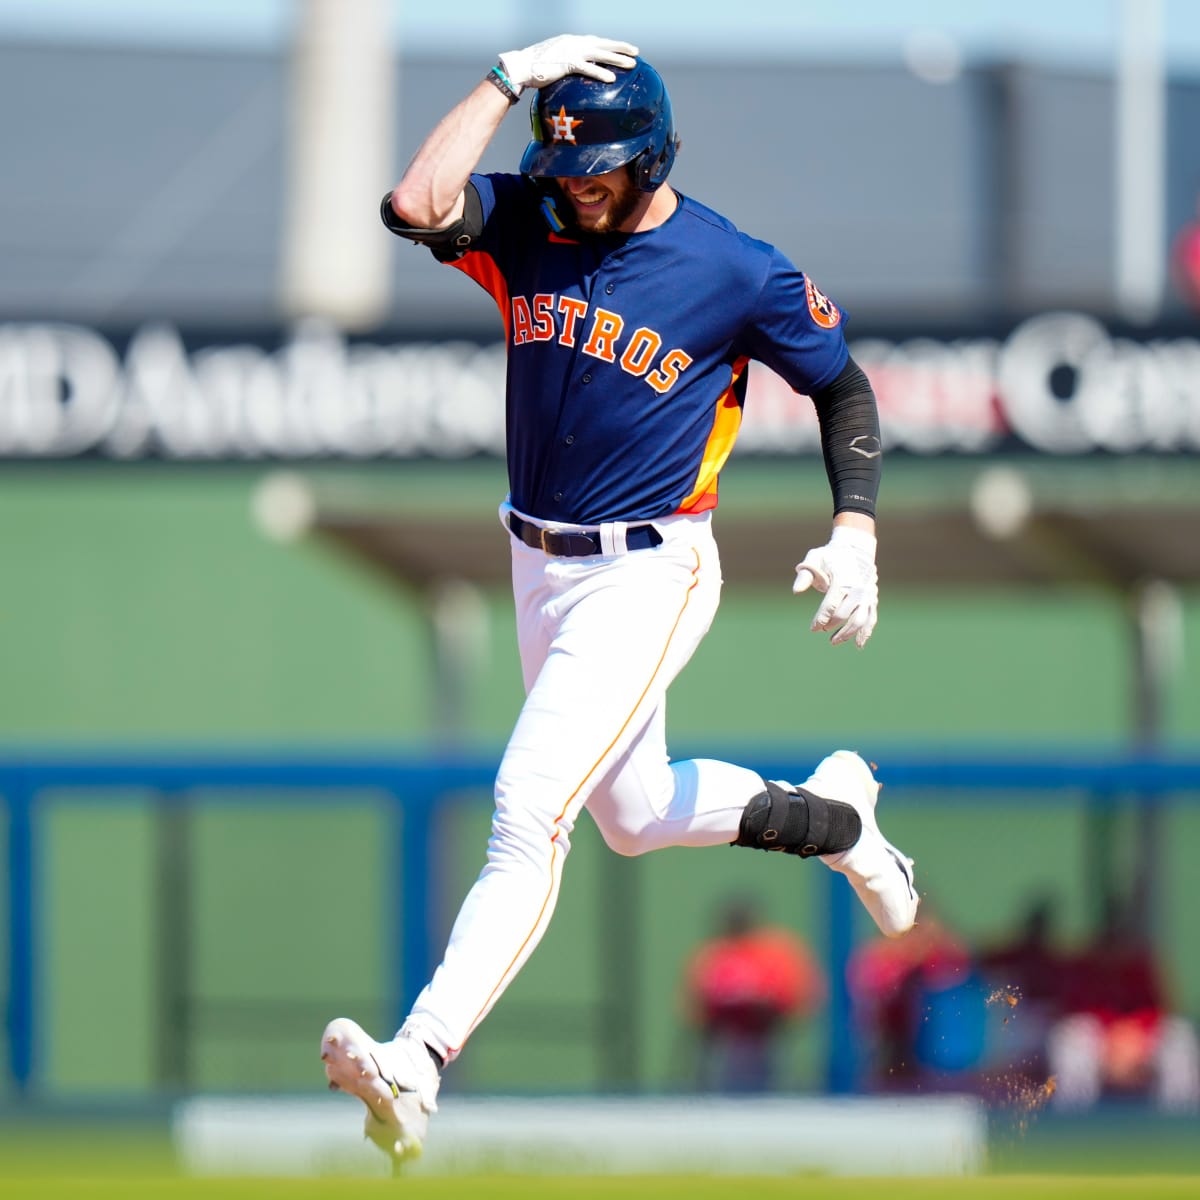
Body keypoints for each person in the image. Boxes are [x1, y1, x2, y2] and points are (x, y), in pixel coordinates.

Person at [320, 33, 919, 1164]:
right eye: (561, 164)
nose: (572, 187)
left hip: (651, 568)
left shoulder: (730, 266)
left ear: (648, 157)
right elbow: (414, 204)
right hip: (538, 563)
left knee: (527, 806)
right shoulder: (530, 221)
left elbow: (840, 381)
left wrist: (855, 528)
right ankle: (837, 820)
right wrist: (509, 75)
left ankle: (421, 1059)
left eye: (594, 167)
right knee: (632, 818)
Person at [683, 897, 826, 1093]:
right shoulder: (715, 952)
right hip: (725, 1034)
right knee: (726, 1064)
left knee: (764, 1063)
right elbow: (697, 1000)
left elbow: (799, 994)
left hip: (769, 1031)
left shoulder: (776, 950)